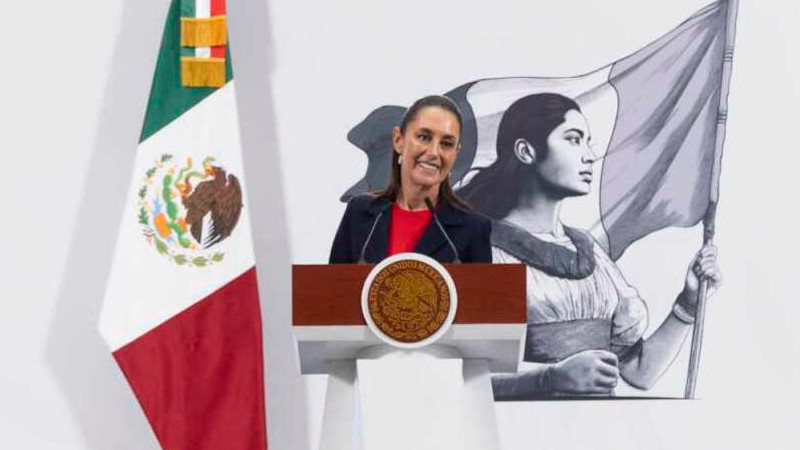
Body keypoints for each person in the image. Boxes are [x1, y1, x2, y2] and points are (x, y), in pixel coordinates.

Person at [457, 93, 721, 398]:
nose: (589, 155)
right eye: (573, 139)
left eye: (587, 142)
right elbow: (472, 378)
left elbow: (639, 372)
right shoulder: (486, 250)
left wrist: (688, 303)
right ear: (526, 151)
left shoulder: (590, 251)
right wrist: (550, 378)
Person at [330, 95, 492, 264]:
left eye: (446, 143)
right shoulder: (359, 213)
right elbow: (333, 280)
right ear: (398, 140)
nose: (433, 152)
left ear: (456, 153)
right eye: (424, 137)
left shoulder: (474, 229)